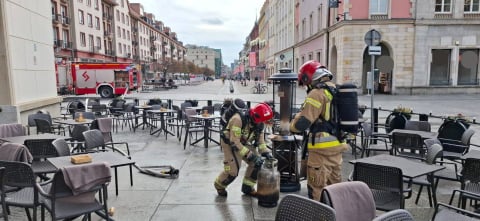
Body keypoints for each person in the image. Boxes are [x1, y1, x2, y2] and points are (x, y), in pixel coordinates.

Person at [289, 60, 348, 201]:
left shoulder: (317, 93)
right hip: (338, 145)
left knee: (317, 188)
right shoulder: (336, 90)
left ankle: (320, 214)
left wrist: (291, 126)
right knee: (335, 187)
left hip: (321, 150)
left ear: (308, 78)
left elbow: (303, 123)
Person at [214, 100, 274, 197]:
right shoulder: (238, 119)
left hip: (242, 142)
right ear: (256, 116)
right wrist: (250, 155)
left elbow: (261, 141)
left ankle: (247, 188)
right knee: (232, 172)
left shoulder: (260, 123)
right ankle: (219, 185)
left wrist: (265, 152)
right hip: (229, 142)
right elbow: (234, 142)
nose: (264, 123)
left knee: (257, 164)